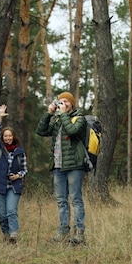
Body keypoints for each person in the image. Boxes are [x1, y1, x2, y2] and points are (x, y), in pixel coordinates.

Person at [36, 91, 88, 244]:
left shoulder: (79, 118)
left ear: (72, 103)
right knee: (61, 200)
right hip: (58, 165)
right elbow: (41, 131)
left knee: (76, 199)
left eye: (66, 101)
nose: (63, 104)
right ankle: (63, 231)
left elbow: (72, 131)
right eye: (61, 101)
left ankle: (79, 233)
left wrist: (63, 114)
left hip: (74, 165)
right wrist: (49, 113)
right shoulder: (58, 119)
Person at [0, 104, 28, 244]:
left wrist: (19, 175)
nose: (8, 138)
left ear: (13, 137)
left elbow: (24, 169)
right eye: (5, 136)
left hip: (14, 185)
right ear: (3, 138)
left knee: (11, 211)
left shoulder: (20, 152)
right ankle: (5, 234)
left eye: (10, 136)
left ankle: (13, 237)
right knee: (2, 214)